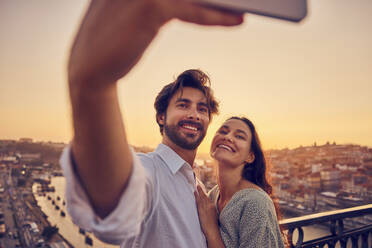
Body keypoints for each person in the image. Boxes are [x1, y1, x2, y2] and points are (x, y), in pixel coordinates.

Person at [61, 0, 244, 247]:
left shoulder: (197, 187)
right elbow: (115, 200)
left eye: (202, 108)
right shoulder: (149, 172)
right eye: (183, 105)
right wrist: (93, 85)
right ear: (161, 117)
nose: (194, 114)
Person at [194, 117, 285, 248]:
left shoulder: (256, 203)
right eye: (223, 131)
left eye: (239, 136)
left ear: (250, 156)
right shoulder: (214, 194)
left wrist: (211, 230)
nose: (228, 137)